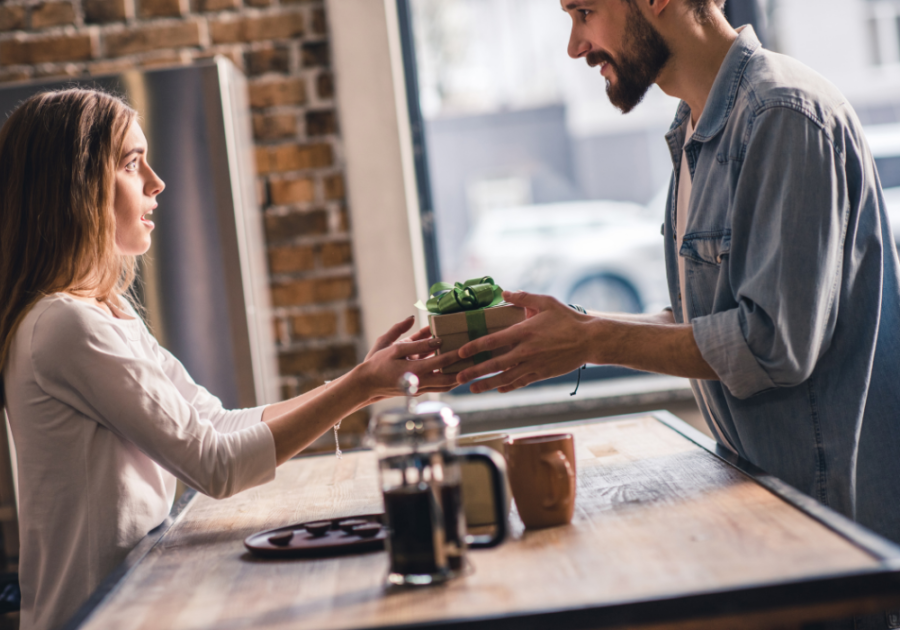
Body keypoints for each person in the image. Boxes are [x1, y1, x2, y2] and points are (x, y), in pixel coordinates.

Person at [457, 0, 900, 579]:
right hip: (772, 524)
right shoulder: (697, 127)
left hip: (833, 547)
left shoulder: (784, 114)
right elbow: (708, 320)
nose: (574, 45)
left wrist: (589, 341)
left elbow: (771, 344)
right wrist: (566, 327)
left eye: (584, 11)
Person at [0, 89, 459, 630]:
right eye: (130, 163)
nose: (156, 181)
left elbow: (215, 424)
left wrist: (366, 382)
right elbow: (214, 466)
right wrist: (358, 388)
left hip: (132, 603)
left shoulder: (103, 312)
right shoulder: (64, 326)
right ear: (74, 187)